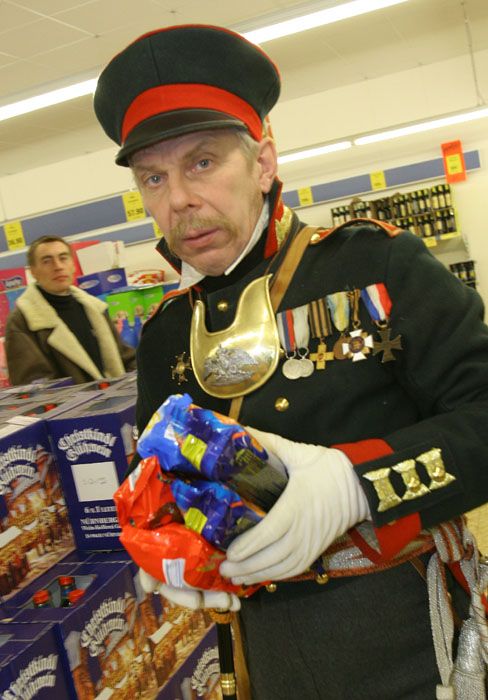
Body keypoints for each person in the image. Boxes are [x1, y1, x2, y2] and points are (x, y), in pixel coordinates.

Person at [93, 25, 488, 699]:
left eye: (202, 163)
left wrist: (356, 484)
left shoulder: (377, 264)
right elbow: (156, 476)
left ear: (264, 161)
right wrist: (161, 540)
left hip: (408, 636)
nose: (178, 200)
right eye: (153, 178)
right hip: (266, 651)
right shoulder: (165, 335)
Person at [5, 235, 136, 385]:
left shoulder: (94, 307)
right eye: (47, 261)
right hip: (71, 407)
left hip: (117, 401)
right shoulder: (22, 320)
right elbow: (32, 385)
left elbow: (125, 357)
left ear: (73, 265)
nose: (58, 266)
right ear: (33, 271)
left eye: (63, 258)